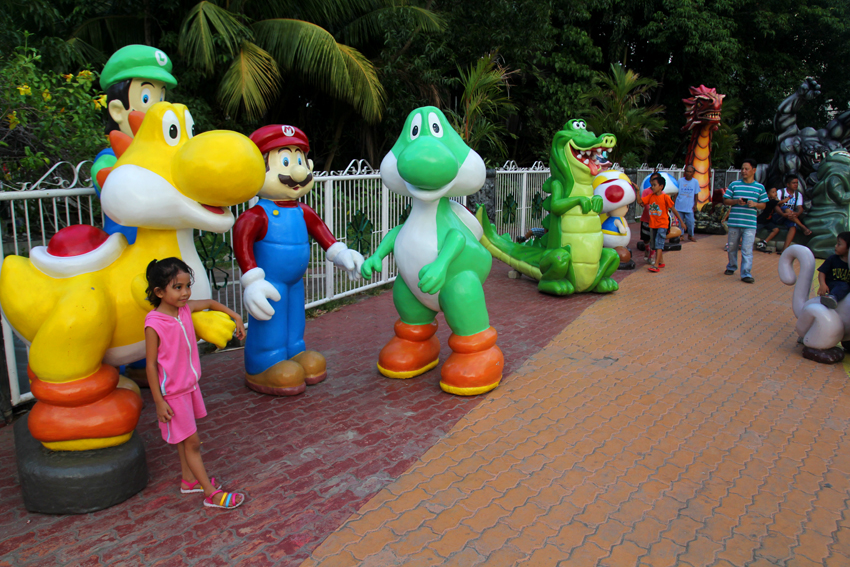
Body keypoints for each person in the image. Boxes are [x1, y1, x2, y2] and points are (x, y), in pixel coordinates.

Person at [144, 257, 247, 510]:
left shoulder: (184, 310)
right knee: (192, 443)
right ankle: (211, 493)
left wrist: (235, 316)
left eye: (187, 286)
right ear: (159, 292)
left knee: (184, 439)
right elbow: (149, 366)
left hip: (190, 387)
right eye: (177, 287)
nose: (185, 292)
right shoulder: (154, 323)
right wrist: (158, 401)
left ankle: (189, 480)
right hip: (173, 393)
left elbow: (211, 302)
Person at [92, 45, 178, 245]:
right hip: (126, 249)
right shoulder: (109, 158)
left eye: (162, 97)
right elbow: (108, 183)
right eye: (147, 98)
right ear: (117, 111)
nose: (159, 107)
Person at [723, 158, 768, 283]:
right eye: (742, 169)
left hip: (750, 224)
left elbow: (764, 205)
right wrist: (736, 202)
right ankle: (731, 266)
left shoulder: (760, 187)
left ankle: (746, 273)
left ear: (754, 170)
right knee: (732, 247)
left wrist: (755, 204)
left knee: (747, 249)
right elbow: (726, 200)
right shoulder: (734, 185)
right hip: (734, 222)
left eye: (746, 169)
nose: (743, 171)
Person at [641, 173, 685, 273]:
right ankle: (661, 261)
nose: (652, 187)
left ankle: (656, 265)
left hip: (662, 224)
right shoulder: (651, 196)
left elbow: (673, 209)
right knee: (655, 244)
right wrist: (638, 191)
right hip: (653, 224)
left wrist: (681, 222)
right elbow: (641, 202)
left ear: (661, 187)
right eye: (651, 185)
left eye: (654, 185)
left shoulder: (665, 197)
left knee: (659, 244)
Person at [817, 232, 850, 309]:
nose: (836, 246)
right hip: (832, 284)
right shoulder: (832, 259)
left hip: (845, 287)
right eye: (837, 243)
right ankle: (831, 297)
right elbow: (822, 272)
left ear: (848, 249)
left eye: (839, 244)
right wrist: (823, 284)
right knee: (844, 286)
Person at [755, 186, 790, 252]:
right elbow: (781, 202)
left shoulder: (773, 202)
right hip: (761, 221)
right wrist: (789, 197)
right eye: (773, 192)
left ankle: (764, 242)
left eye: (776, 192)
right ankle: (741, 241)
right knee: (754, 231)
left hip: (768, 221)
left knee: (776, 230)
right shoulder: (770, 201)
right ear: (768, 195)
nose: (775, 193)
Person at [676, 165, 700, 242]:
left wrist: (695, 204)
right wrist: (673, 203)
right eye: (687, 171)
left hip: (689, 206)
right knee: (680, 222)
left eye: (690, 172)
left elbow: (696, 194)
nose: (688, 173)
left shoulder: (695, 182)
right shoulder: (680, 181)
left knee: (690, 222)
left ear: (693, 173)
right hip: (679, 205)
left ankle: (690, 235)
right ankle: (681, 235)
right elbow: (676, 192)